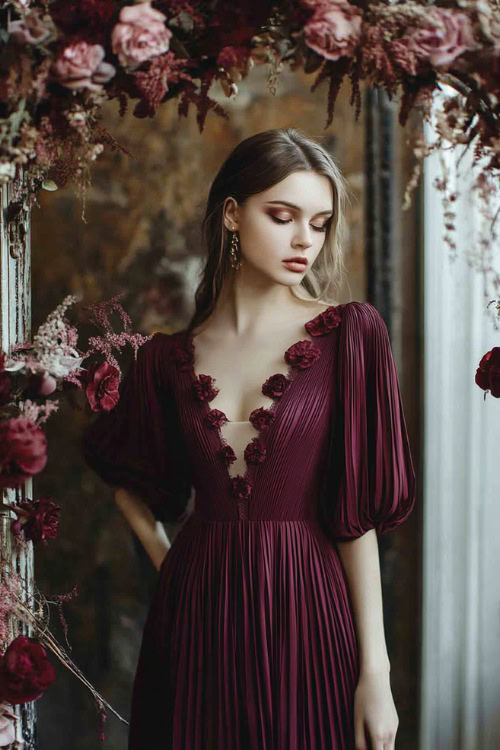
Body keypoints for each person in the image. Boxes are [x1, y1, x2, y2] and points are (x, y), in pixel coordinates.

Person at [81, 127, 416, 749]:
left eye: (318, 224)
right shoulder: (164, 359)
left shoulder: (349, 337)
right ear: (232, 214)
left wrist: (377, 672)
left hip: (308, 613)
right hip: (192, 622)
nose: (303, 241)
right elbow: (125, 477)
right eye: (283, 216)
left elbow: (356, 518)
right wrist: (174, 568)